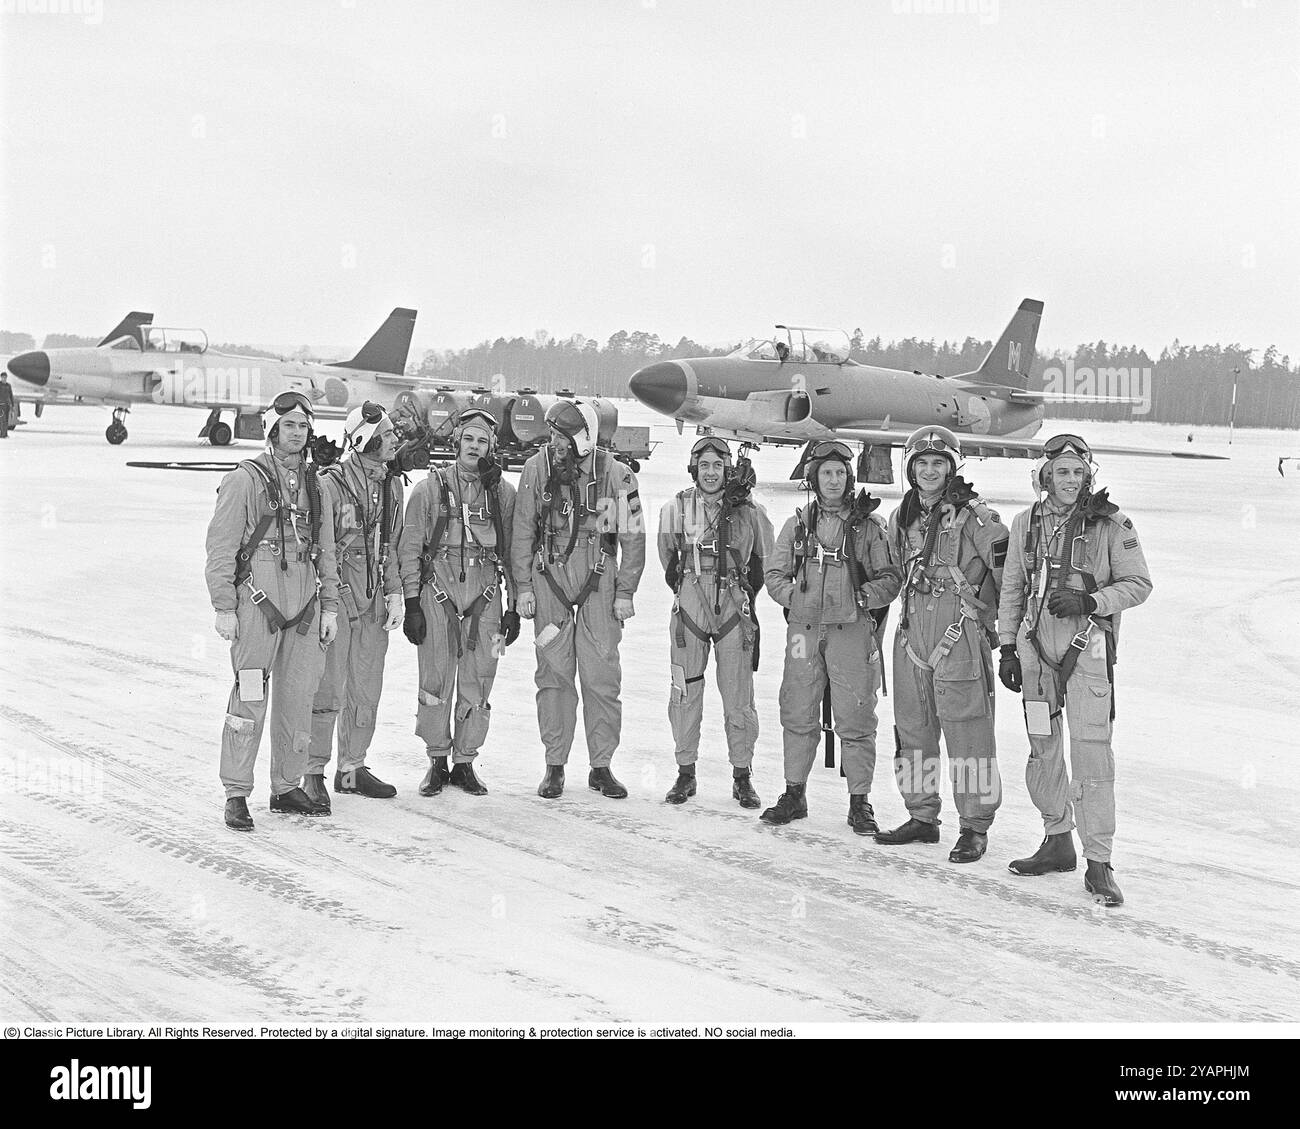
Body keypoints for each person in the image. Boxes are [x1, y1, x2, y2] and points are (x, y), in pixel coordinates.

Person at [997, 434, 1152, 906]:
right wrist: (1007, 646)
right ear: (1044, 478)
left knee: (1092, 757)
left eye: (1077, 472)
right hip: (1036, 653)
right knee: (1043, 749)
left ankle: (1099, 861)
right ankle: (1056, 839)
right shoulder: (1026, 524)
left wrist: (1092, 600)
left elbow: (1139, 583)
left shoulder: (1109, 524)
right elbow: (1012, 588)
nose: (1069, 480)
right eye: (1060, 472)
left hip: (1087, 654)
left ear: (1088, 477)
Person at [205, 392, 339, 831]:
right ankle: (237, 792)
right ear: (272, 430)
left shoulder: (317, 486)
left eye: (303, 426)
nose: (297, 433)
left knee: (298, 699)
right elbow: (221, 547)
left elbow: (328, 552)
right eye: (289, 425)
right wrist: (225, 606)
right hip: (256, 604)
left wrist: (330, 606)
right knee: (249, 697)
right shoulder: (245, 480)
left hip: (303, 605)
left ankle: (286, 786)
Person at [875, 426, 1008, 862]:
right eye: (922, 463)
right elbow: (894, 573)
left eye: (938, 464)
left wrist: (997, 629)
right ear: (910, 469)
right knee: (913, 730)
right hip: (912, 635)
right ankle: (922, 815)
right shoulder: (903, 517)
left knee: (969, 733)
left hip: (960, 636)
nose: (929, 471)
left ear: (951, 468)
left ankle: (974, 825)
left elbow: (1010, 577)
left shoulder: (977, 518)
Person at [762, 440, 900, 831]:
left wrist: (862, 599)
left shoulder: (870, 528)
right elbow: (774, 575)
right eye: (826, 473)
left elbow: (891, 579)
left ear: (849, 477)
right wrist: (797, 598)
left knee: (856, 713)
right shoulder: (798, 525)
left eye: (840, 473)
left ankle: (860, 800)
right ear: (814, 478)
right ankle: (794, 793)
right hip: (803, 632)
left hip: (851, 632)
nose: (834, 480)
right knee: (796, 706)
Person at [511, 399, 645, 799]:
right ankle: (555, 764)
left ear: (582, 439)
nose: (554, 443)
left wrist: (625, 592)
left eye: (560, 437)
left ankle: (601, 766)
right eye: (551, 436)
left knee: (602, 677)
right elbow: (522, 530)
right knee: (553, 677)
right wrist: (522, 587)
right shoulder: (537, 469)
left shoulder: (617, 475)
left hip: (598, 581)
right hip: (550, 577)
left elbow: (633, 538)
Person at [400, 408, 519, 796]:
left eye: (482, 441)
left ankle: (465, 761)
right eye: (468, 438)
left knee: (481, 677)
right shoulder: (428, 489)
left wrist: (515, 606)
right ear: (456, 443)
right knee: (435, 677)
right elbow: (410, 548)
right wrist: (413, 602)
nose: (474, 446)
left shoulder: (503, 493)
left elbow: (518, 553)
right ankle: (437, 759)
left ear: (491, 448)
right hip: (439, 593)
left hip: (486, 594)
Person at [658, 437, 773, 807]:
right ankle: (685, 772)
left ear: (728, 470)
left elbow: (764, 559)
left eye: (717, 466)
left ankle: (742, 774)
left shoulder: (749, 510)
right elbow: (667, 555)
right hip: (691, 600)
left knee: (739, 694)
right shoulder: (676, 507)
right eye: (704, 465)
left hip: (733, 604)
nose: (711, 473)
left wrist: (747, 599)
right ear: (695, 468)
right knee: (685, 689)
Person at [306, 402, 405, 807]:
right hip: (340, 594)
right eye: (389, 434)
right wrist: (331, 600)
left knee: (366, 687)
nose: (396, 439)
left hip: (374, 596)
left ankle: (352, 767)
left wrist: (396, 592)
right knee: (328, 689)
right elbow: (322, 549)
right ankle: (313, 771)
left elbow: (391, 545)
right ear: (369, 440)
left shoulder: (390, 485)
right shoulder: (330, 485)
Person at [0, 372, 13, 438]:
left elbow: (11, 395)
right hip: (1, 405)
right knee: (2, 420)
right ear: (1, 377)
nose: (4, 379)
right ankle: (2, 435)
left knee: (6, 421)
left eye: (5, 377)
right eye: (3, 377)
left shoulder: (8, 385)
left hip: (7, 405)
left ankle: (5, 434)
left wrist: (12, 405)